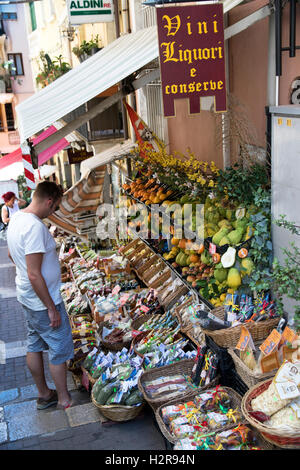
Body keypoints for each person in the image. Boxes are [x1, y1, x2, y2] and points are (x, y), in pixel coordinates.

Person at [7, 181, 74, 410]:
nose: (53, 212)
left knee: (34, 344)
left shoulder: (17, 219)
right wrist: (51, 308)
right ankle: (63, 398)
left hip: (26, 297)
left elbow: (10, 254)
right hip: (41, 301)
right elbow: (34, 274)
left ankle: (45, 394)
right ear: (49, 201)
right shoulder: (35, 227)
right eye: (54, 207)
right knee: (58, 349)